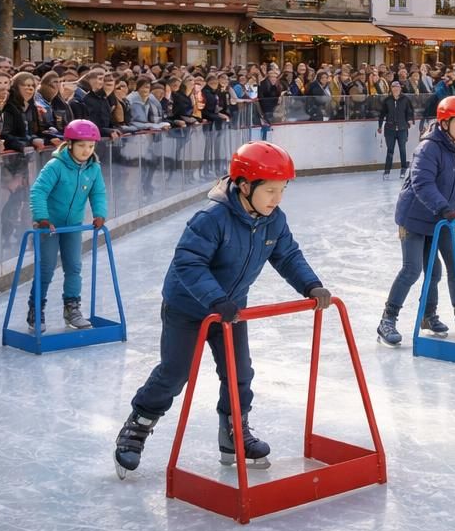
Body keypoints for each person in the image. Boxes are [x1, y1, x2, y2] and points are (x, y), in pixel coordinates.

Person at [113, 141, 333, 479]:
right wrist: (214, 298)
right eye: (270, 190)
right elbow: (188, 263)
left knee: (239, 373)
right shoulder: (212, 218)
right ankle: (138, 424)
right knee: (174, 373)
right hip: (188, 307)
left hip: (231, 310)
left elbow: (287, 255)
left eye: (282, 190)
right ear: (245, 186)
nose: (277, 198)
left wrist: (310, 285)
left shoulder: (273, 220)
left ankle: (233, 434)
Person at [377, 96, 455, 347]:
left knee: (450, 268)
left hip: (442, 218)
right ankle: (387, 320)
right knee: (413, 269)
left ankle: (454, 316)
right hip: (415, 218)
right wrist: (445, 208)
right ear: (444, 123)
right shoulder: (428, 148)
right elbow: (422, 184)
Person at [27, 119, 108, 331]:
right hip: (49, 227)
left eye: (90, 146)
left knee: (74, 267)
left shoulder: (93, 168)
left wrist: (100, 214)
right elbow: (38, 191)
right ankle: (36, 310)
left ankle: (72, 308)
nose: (86, 151)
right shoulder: (56, 165)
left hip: (72, 226)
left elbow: (98, 192)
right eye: (81, 145)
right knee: (46, 269)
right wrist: (42, 218)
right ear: (70, 144)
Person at [377, 81, 416, 178]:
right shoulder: (387, 100)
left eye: (397, 87)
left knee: (402, 149)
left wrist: (410, 120)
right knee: (390, 150)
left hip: (402, 129)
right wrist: (380, 126)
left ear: (400, 89)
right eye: (393, 88)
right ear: (391, 89)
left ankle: (403, 170)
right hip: (390, 129)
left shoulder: (405, 100)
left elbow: (410, 111)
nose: (395, 89)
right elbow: (382, 114)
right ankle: (387, 171)